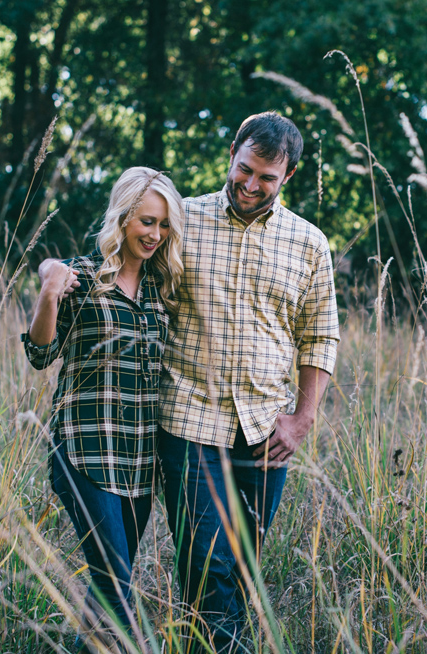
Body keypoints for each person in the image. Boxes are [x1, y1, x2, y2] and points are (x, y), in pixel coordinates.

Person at [158, 112, 340, 652]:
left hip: (266, 432)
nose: (251, 185)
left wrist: (302, 418)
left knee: (240, 566)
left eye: (267, 177)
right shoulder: (181, 220)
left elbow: (320, 336)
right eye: (245, 169)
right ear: (232, 152)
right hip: (189, 421)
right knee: (205, 562)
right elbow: (125, 266)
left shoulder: (310, 244)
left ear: (288, 178)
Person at [22, 167, 184, 651]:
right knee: (117, 582)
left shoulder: (164, 290)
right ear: (123, 217)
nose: (154, 235)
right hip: (84, 454)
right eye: (147, 222)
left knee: (107, 590)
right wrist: (49, 292)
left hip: (138, 465)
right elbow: (39, 355)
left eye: (163, 226)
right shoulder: (81, 278)